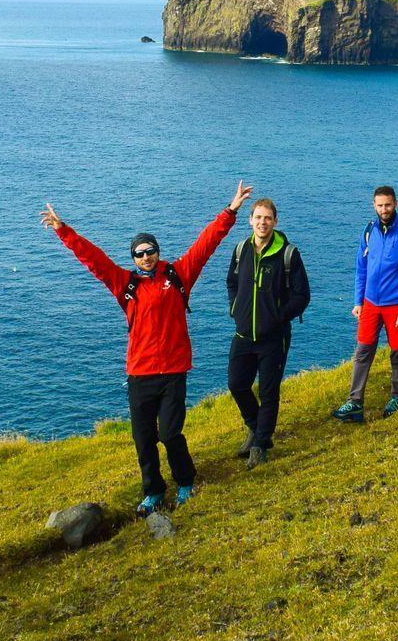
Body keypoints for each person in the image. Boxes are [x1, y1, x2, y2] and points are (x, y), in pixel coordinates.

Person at [43, 183, 249, 513]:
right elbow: (94, 260)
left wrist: (231, 210)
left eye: (149, 250)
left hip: (173, 371)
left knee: (169, 433)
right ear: (133, 258)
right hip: (140, 373)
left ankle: (184, 482)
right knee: (143, 439)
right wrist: (63, 230)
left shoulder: (179, 274)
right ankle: (153, 491)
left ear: (157, 250)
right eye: (139, 253)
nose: (146, 256)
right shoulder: (125, 284)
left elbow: (206, 244)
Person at [224, 197, 311, 466]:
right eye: (258, 218)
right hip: (243, 334)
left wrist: (276, 317)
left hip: (274, 337)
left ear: (275, 221)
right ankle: (256, 427)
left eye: (267, 218)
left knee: (268, 393)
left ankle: (260, 445)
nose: (262, 223)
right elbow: (232, 282)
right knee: (237, 385)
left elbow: (302, 296)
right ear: (250, 220)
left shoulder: (288, 253)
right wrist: (235, 309)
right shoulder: (241, 249)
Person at [333, 186, 398, 422]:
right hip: (370, 303)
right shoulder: (368, 231)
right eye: (380, 205)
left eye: (388, 204)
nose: (384, 210)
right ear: (373, 205)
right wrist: (358, 301)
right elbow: (361, 269)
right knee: (363, 350)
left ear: (396, 203)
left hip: (397, 303)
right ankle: (355, 402)